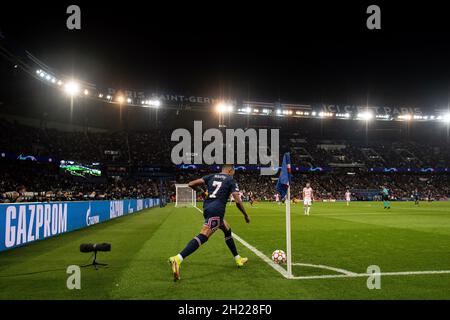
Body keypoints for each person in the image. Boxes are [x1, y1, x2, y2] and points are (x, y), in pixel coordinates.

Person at [168, 164, 250, 281]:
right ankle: (178, 258)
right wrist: (245, 215)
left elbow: (191, 184)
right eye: (234, 171)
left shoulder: (211, 176)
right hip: (217, 211)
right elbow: (237, 200)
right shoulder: (230, 180)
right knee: (204, 235)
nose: (234, 173)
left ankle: (238, 259)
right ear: (230, 170)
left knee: (227, 229)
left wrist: (202, 192)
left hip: (207, 208)